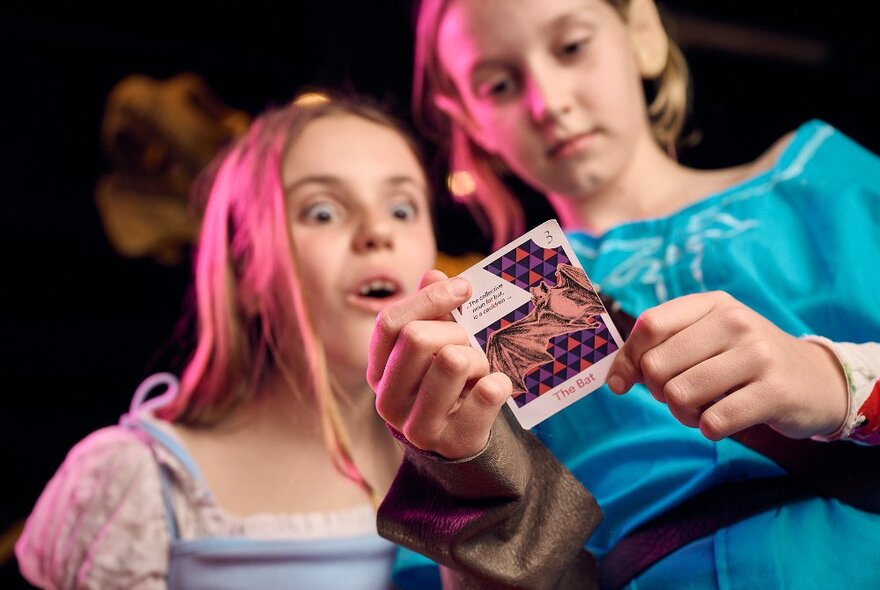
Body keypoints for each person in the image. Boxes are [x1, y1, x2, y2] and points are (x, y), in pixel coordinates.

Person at [368, 0, 880, 588]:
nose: (549, 102)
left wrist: (837, 381)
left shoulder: (828, 183)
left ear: (642, 33)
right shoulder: (472, 326)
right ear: (467, 117)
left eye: (571, 47)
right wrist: (460, 477)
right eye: (501, 84)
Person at [15, 93, 438, 589]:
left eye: (403, 208)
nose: (377, 233)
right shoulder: (142, 483)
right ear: (246, 274)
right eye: (322, 213)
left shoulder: (483, 446)